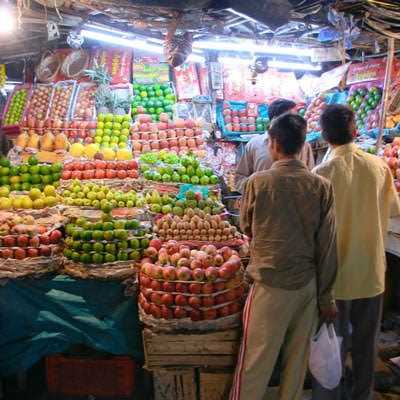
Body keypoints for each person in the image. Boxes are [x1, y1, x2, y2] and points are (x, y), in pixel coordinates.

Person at [230, 113, 338, 400]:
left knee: (254, 365)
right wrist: (326, 296)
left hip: (269, 285)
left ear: (273, 144)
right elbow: (327, 246)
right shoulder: (321, 186)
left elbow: (245, 226)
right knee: (296, 366)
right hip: (307, 288)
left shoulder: (258, 182)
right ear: (303, 145)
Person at [313, 104, 400, 400]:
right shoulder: (379, 166)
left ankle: (330, 396)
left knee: (332, 345)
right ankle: (363, 394)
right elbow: (393, 209)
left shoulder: (321, 173)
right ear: (355, 131)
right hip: (371, 272)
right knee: (366, 343)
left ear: (324, 135)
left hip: (336, 278)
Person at [235, 98, 315, 193]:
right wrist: (257, 189)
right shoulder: (254, 145)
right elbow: (240, 178)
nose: (295, 122)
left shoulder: (304, 145)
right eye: (289, 119)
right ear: (275, 120)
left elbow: (311, 175)